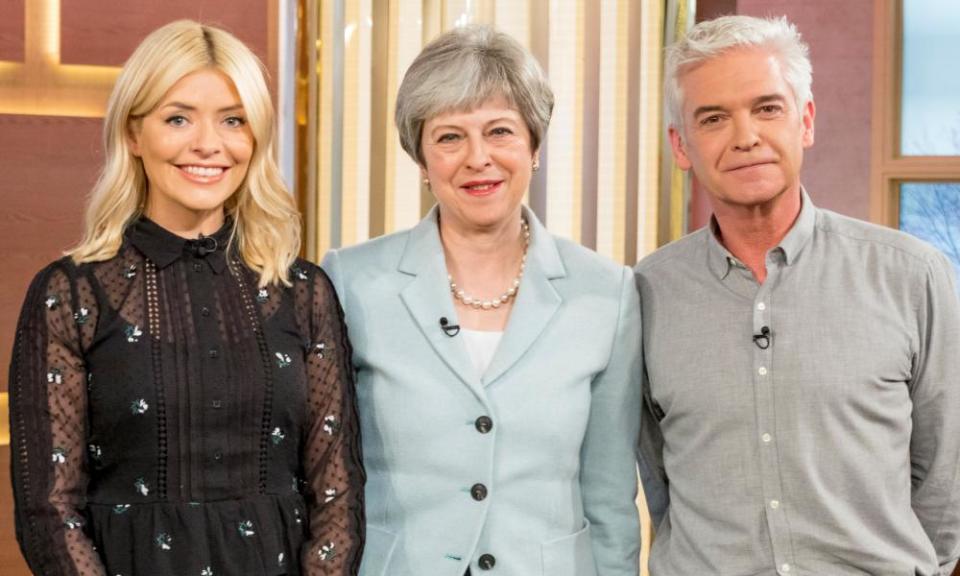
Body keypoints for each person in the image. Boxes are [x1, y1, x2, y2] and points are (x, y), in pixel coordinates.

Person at [9, 20, 364, 576]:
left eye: (233, 120)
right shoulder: (70, 294)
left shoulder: (304, 291)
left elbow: (336, 490)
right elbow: (48, 509)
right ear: (133, 134)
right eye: (178, 118)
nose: (208, 144)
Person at [635, 14, 960, 575]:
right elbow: (657, 480)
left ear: (804, 120)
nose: (746, 136)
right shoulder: (644, 294)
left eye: (767, 108)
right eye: (714, 118)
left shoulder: (913, 276)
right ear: (680, 145)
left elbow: (944, 483)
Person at [322, 25, 641, 576]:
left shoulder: (606, 293)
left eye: (500, 131)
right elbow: (327, 481)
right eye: (449, 137)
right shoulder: (350, 282)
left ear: (534, 147)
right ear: (421, 159)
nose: (478, 158)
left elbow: (610, 498)